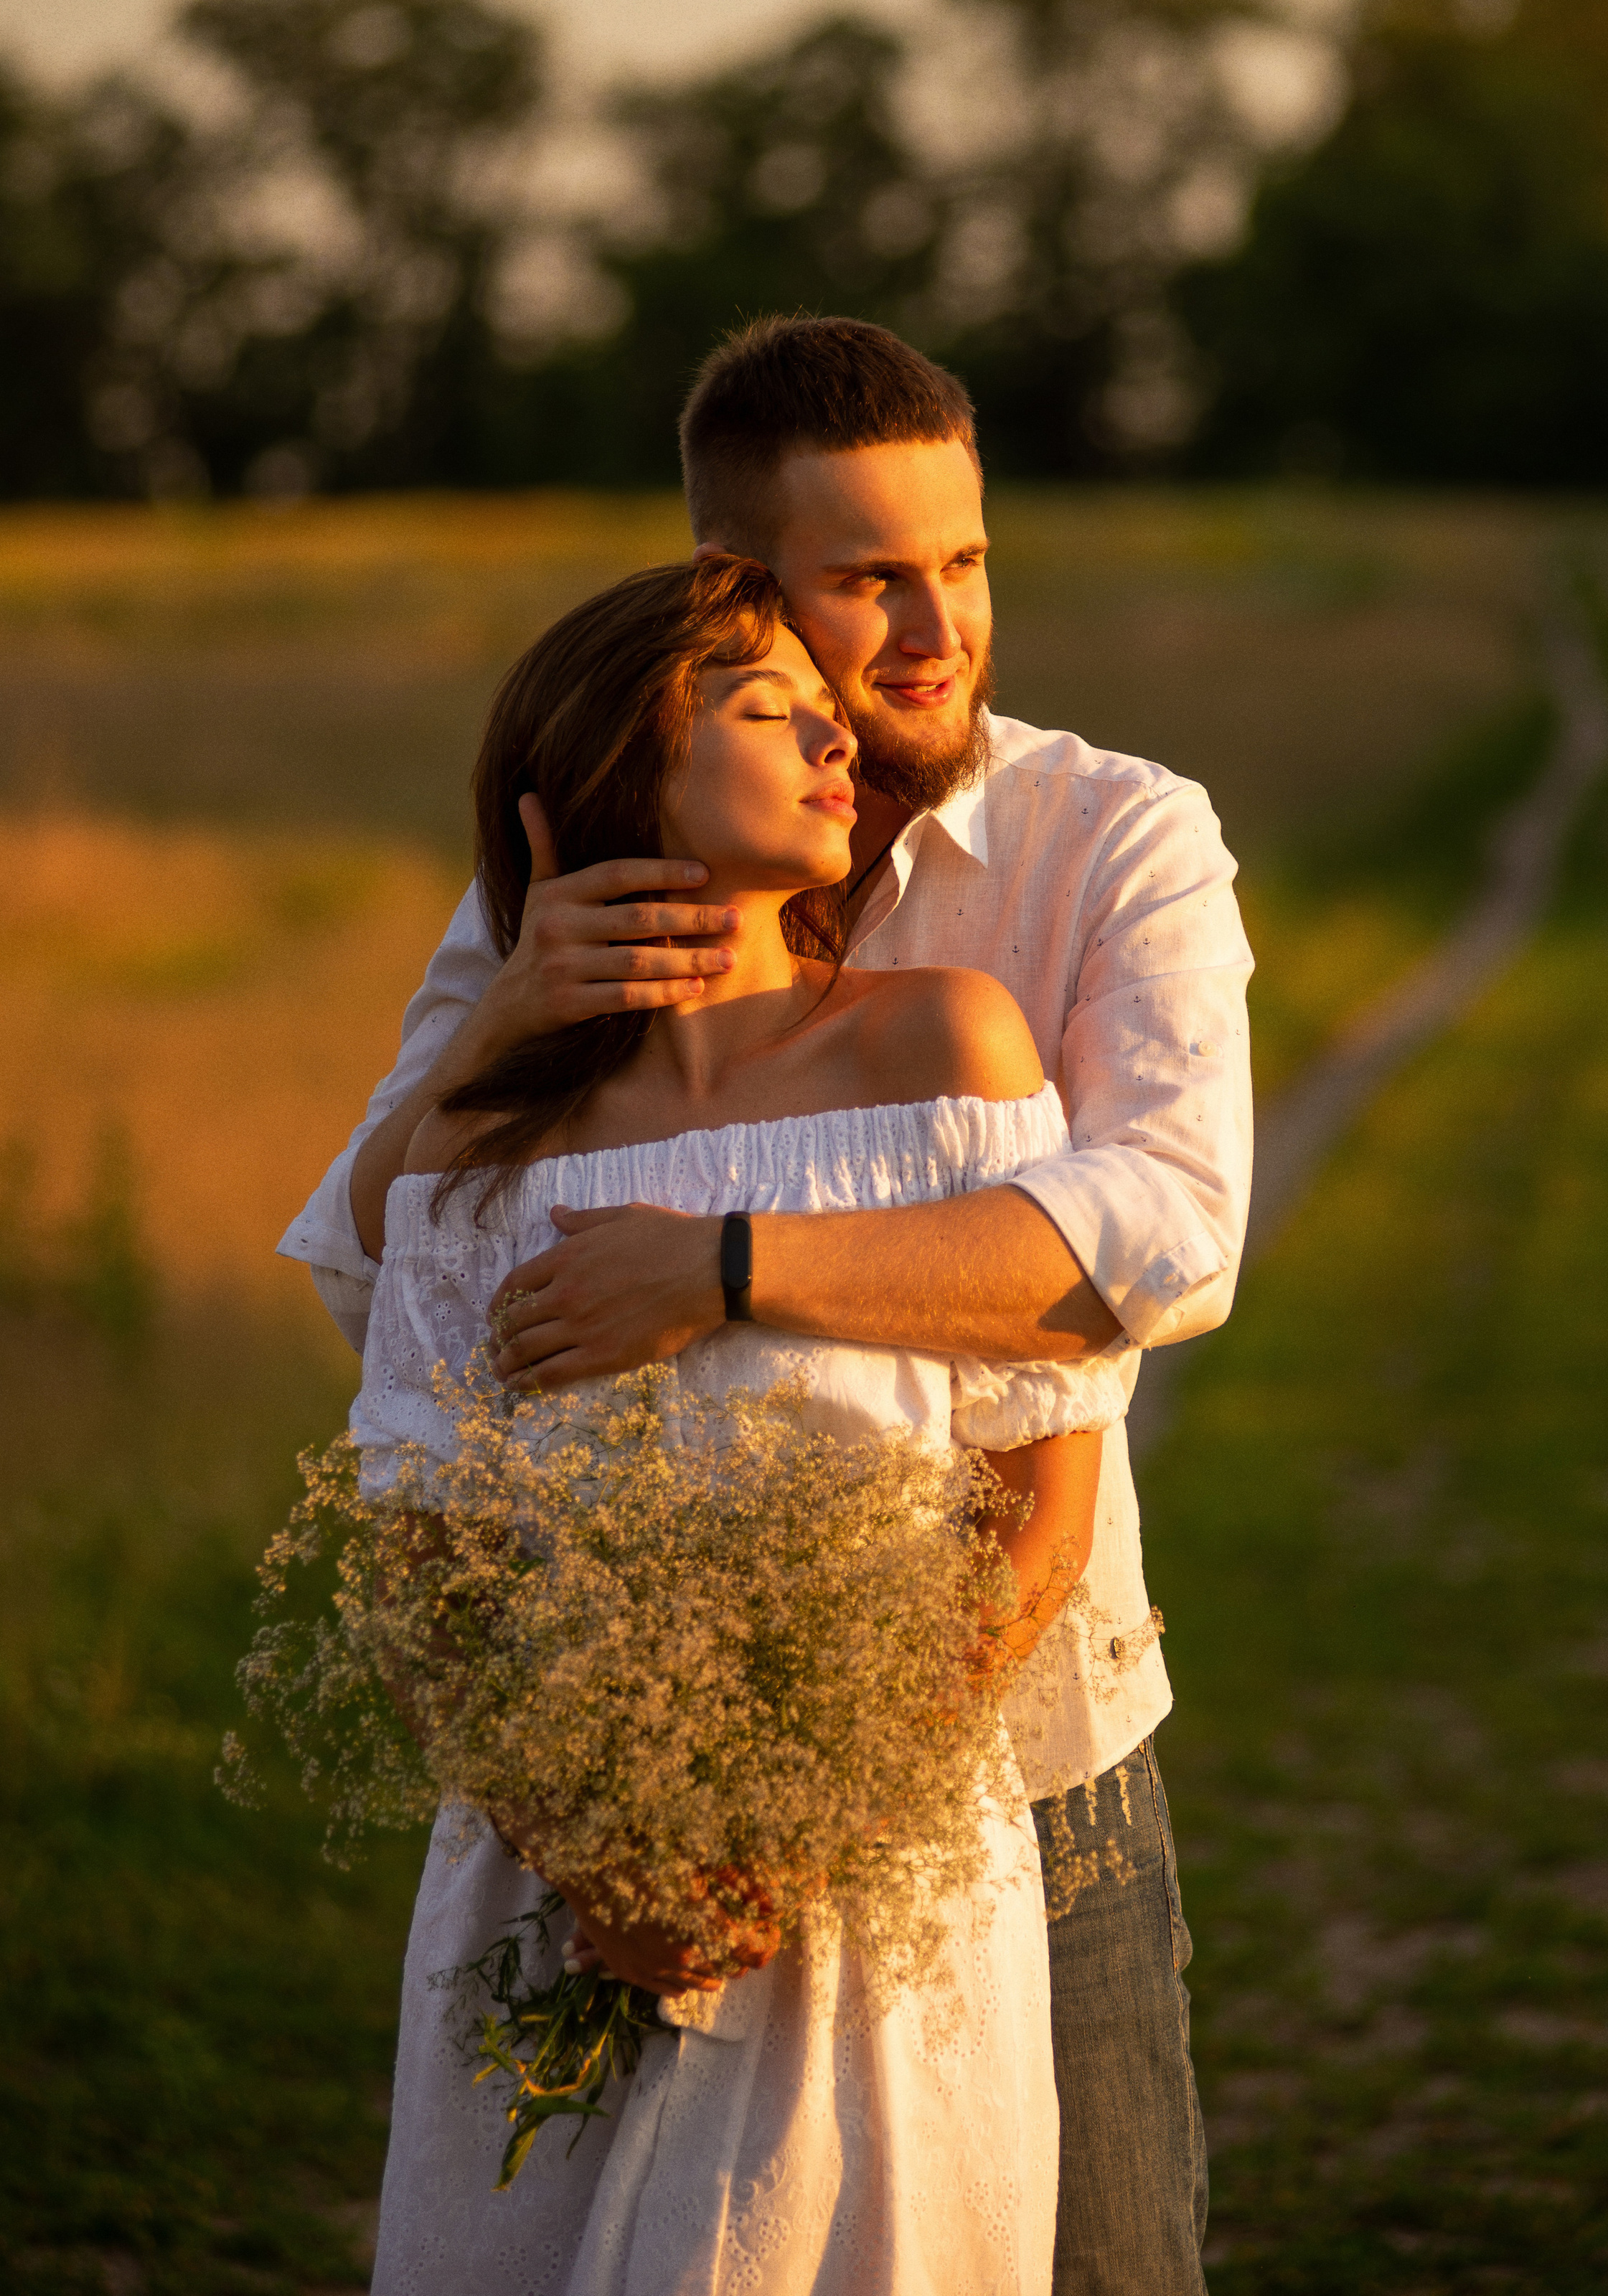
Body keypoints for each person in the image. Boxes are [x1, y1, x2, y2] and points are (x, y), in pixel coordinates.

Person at [283, 316, 1255, 2295]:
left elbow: (1165, 1235)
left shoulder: (1111, 838)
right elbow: (378, 1280)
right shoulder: (557, 910)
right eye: (865, 577)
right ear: (733, 581)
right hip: (591, 1821)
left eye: (963, 560)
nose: (929, 627)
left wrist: (722, 1266)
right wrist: (510, 1024)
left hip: (1024, 1763)